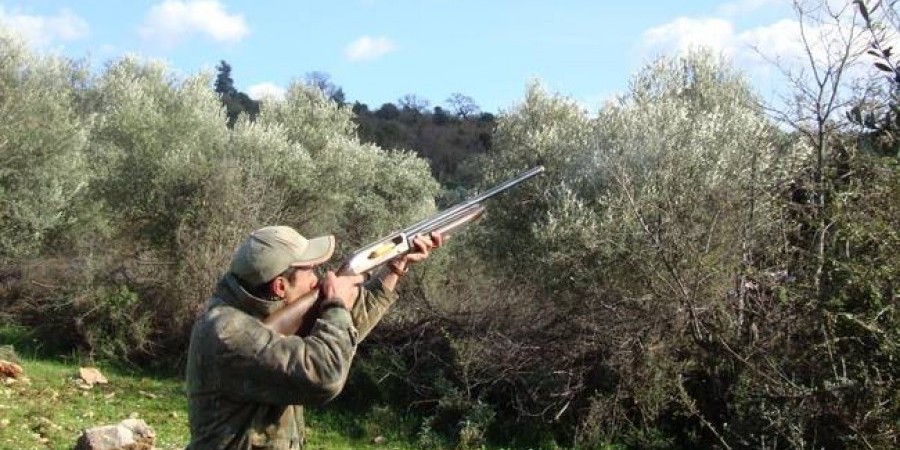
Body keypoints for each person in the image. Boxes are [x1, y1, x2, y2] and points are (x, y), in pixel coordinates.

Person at [185, 225, 441, 449]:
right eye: (310, 272)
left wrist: (395, 268)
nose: (317, 281)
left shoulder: (251, 315)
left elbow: (342, 337)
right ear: (280, 286)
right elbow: (326, 373)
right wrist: (336, 304)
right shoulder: (227, 331)